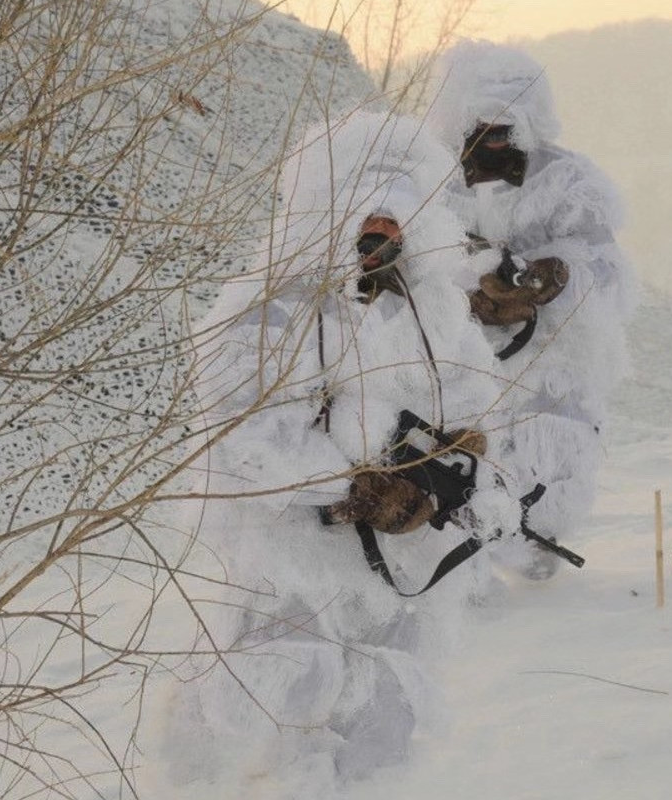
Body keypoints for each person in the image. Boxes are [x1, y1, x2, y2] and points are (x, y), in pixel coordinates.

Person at [164, 110, 532, 797]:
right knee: (279, 706)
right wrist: (359, 487)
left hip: (395, 564)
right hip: (290, 561)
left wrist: (470, 471)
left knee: (382, 713)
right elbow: (247, 448)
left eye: (396, 218)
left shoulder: (430, 311)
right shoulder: (269, 311)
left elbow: (478, 408)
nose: (379, 237)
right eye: (365, 217)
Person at [426, 41, 637, 545]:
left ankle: (539, 543)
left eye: (507, 126)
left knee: (550, 453)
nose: (495, 140)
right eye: (483, 126)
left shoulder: (567, 181)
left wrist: (555, 275)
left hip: (550, 357)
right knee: (454, 461)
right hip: (455, 357)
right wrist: (464, 290)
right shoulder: (429, 177)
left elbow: (606, 266)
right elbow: (404, 256)